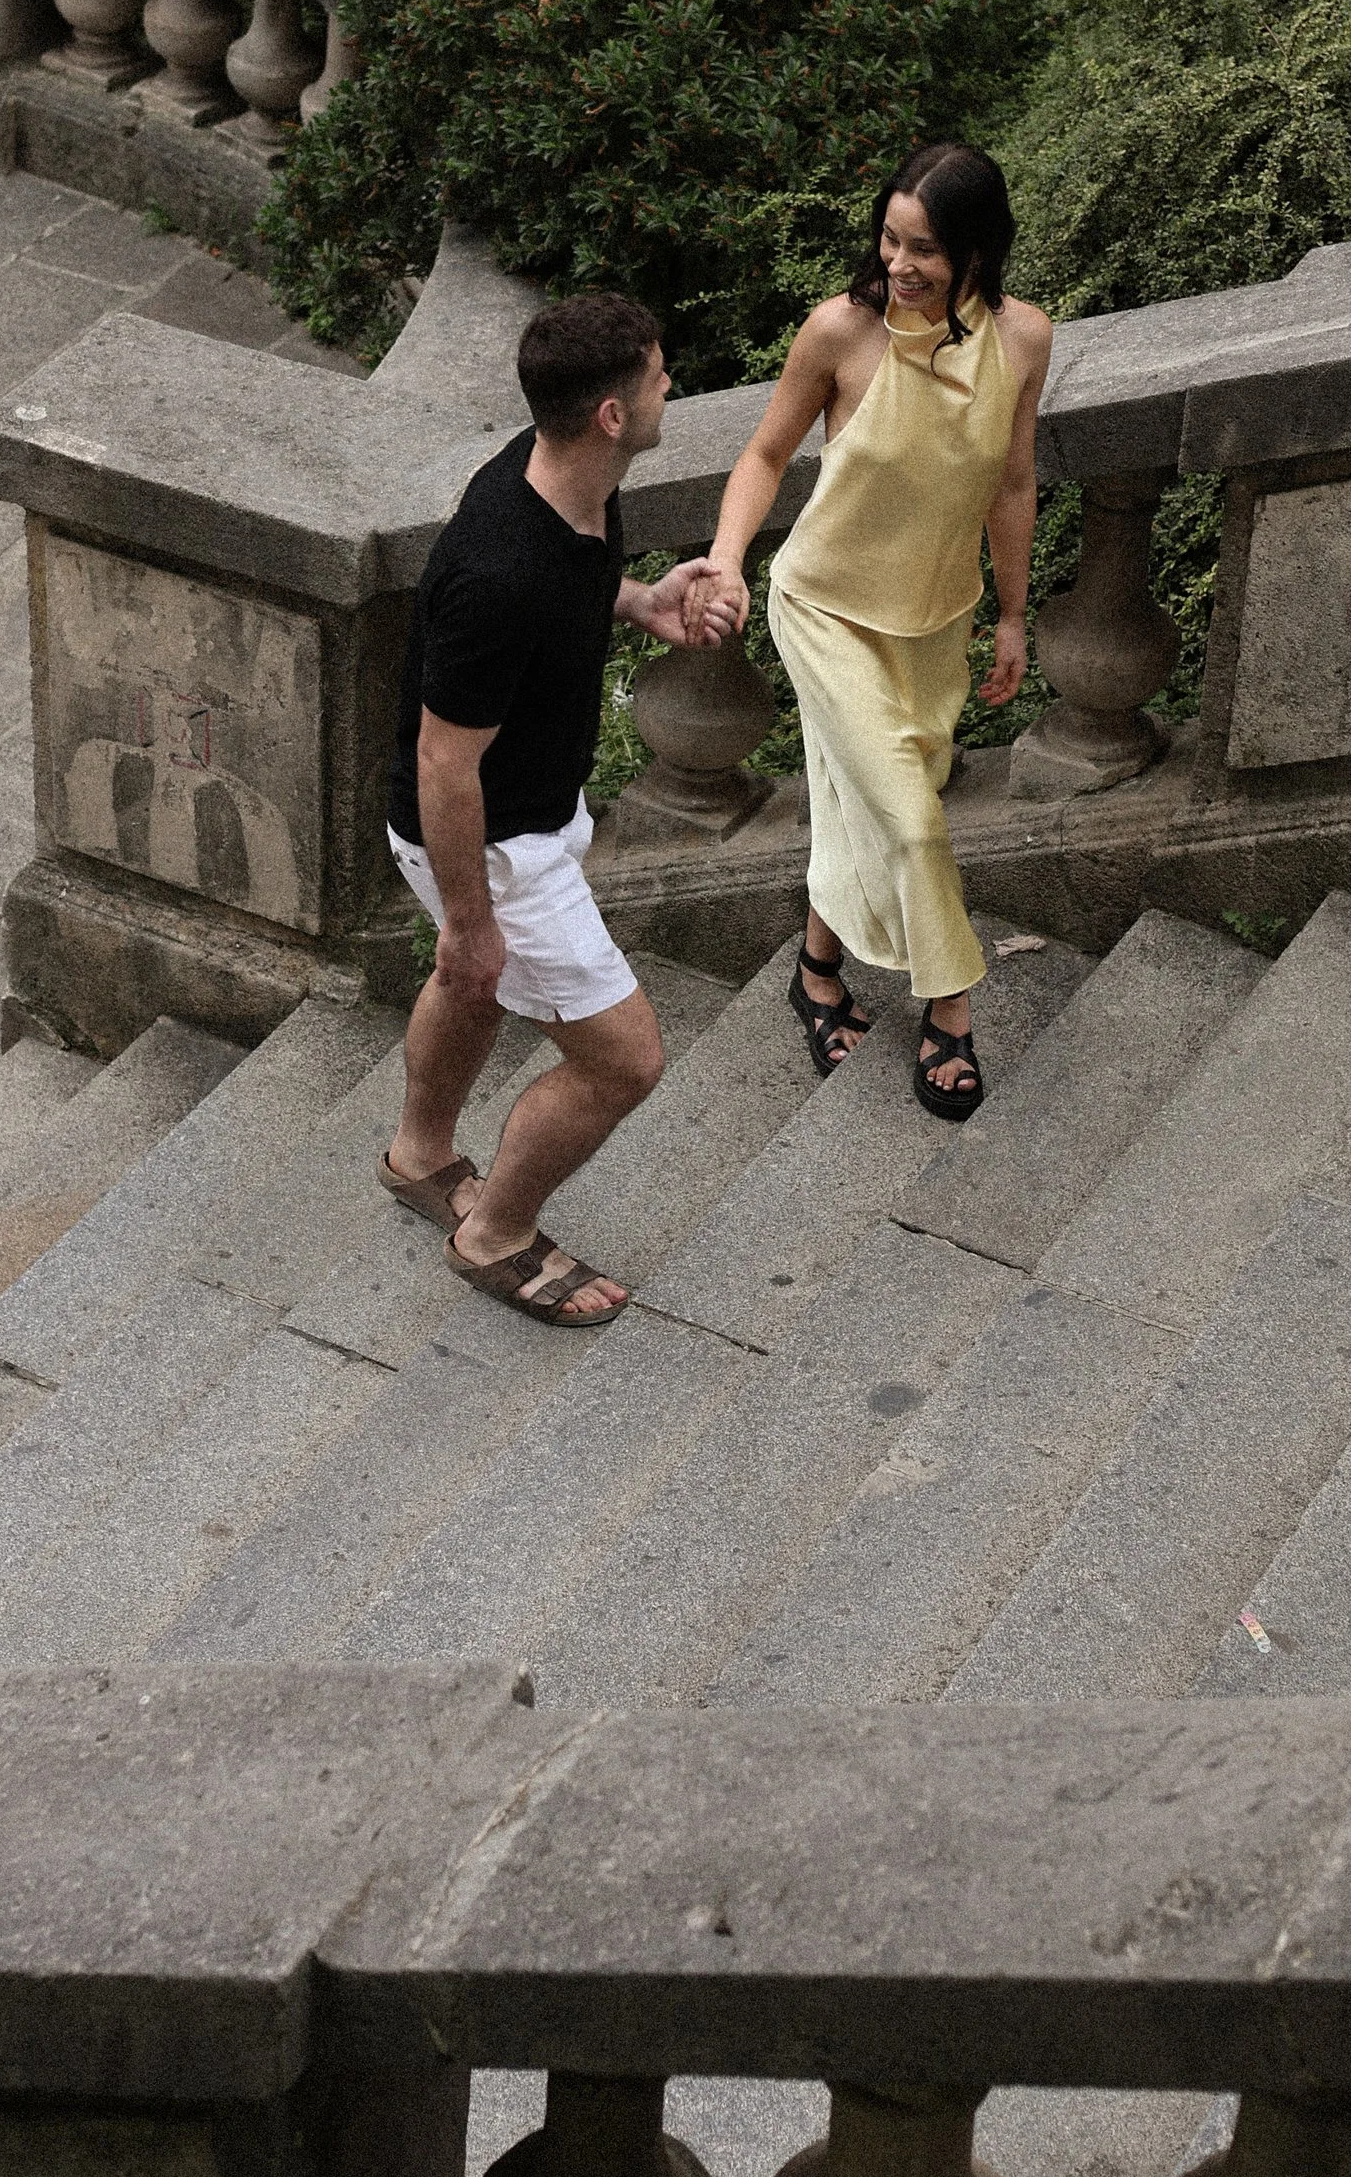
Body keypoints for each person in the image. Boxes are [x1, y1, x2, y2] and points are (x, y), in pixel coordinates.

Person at [693, 141, 1051, 1120]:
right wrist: (727, 559)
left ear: (976, 248)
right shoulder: (841, 333)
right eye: (890, 238)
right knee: (909, 817)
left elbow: (1011, 483)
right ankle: (949, 1011)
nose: (899, 261)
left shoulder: (1022, 339)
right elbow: (764, 454)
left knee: (866, 797)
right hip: (826, 608)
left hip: (935, 620)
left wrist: (1012, 613)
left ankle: (816, 971)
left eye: (924, 247)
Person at [378, 292, 711, 1325]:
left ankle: (418, 1156)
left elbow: (574, 577)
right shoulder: (499, 570)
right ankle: (495, 1232)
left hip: (529, 812)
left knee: (468, 985)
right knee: (623, 1059)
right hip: (496, 840)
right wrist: (474, 917)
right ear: (612, 411)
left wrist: (639, 598)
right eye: (658, 373)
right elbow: (444, 764)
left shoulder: (570, 481)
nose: (670, 385)